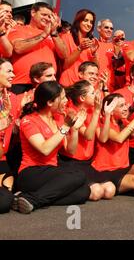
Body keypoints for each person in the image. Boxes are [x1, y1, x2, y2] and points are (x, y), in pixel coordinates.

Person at [14, 81, 90, 214]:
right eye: (62, 98)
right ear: (50, 102)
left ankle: (27, 198)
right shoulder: (29, 120)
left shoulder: (59, 118)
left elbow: (70, 151)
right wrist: (66, 127)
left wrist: (75, 129)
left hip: (50, 173)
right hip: (31, 173)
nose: (66, 100)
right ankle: (33, 199)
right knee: (78, 174)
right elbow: (44, 149)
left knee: (84, 192)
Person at [63, 80, 116, 200]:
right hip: (72, 162)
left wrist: (107, 115)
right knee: (97, 192)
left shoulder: (91, 112)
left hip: (87, 162)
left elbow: (102, 138)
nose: (96, 96)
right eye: (92, 93)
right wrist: (97, 111)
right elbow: (88, 135)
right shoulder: (71, 112)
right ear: (82, 98)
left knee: (110, 190)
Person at [8, 2, 67, 94]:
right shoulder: (20, 29)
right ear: (33, 13)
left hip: (46, 85)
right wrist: (43, 35)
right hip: (22, 83)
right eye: (44, 15)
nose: (47, 18)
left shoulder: (53, 35)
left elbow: (64, 55)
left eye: (49, 17)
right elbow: (18, 48)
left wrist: (54, 33)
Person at [59, 9, 100, 87]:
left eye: (91, 22)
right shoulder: (66, 37)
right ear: (78, 21)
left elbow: (96, 68)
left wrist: (94, 53)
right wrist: (80, 48)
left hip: (85, 86)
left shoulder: (92, 42)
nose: (89, 24)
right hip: (69, 82)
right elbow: (65, 65)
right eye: (85, 20)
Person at [0, 59, 20, 212]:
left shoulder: (12, 98)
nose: (13, 75)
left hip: (3, 157)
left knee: (6, 197)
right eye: (9, 71)